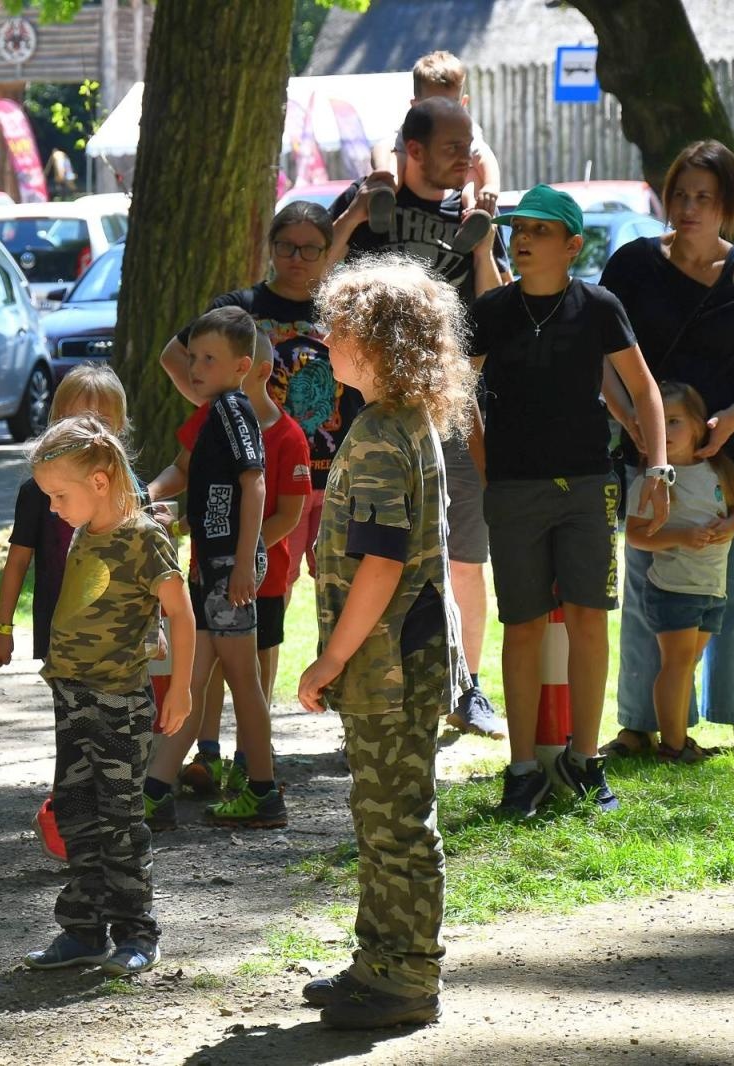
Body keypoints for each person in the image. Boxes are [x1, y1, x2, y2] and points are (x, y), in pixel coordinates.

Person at [296, 253, 476, 1031]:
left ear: (378, 343)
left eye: (339, 329)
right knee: (382, 815)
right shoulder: (401, 420)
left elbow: (382, 560)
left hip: (390, 663)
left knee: (395, 822)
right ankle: (379, 962)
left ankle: (406, 978)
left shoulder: (377, 435)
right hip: (405, 656)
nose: (325, 341)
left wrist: (331, 657)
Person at [468, 184, 669, 816]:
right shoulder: (491, 310)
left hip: (588, 487)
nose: (523, 239)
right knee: (522, 626)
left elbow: (644, 389)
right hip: (514, 491)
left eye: (540, 230)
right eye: (517, 229)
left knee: (588, 620)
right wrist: (488, 469)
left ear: (573, 245)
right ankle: (523, 768)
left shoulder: (599, 306)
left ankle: (585, 760)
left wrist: (658, 469)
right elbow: (459, 395)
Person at [329, 96, 507, 740]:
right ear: (414, 150)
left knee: (464, 555)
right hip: (373, 412)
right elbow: (319, 286)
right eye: (453, 147)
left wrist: (483, 247)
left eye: (469, 146)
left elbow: (496, 313)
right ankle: (372, 687)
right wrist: (352, 218)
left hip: (453, 409)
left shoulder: (472, 213)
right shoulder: (368, 202)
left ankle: (469, 688)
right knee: (375, 554)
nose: (466, 158)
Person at [599, 139, 734, 759]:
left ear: (727, 205)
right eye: (680, 194)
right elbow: (601, 353)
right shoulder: (631, 264)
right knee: (647, 582)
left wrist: (729, 422)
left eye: (704, 197)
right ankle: (640, 723)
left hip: (729, 454)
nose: (688, 207)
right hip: (648, 452)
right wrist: (626, 416)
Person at [20, 415, 195, 978]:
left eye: (60, 496)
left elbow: (180, 614)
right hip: (72, 698)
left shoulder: (144, 538)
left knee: (119, 821)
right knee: (75, 815)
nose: (53, 508)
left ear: (99, 481)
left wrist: (181, 689)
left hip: (119, 703)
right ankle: (83, 930)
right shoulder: (84, 531)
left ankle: (136, 932)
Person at [159, 202, 358, 592]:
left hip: (338, 471)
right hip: (268, 472)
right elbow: (173, 355)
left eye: (310, 248)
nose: (296, 257)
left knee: (342, 587)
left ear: (327, 251)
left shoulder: (341, 310)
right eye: (286, 246)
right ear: (271, 246)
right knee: (274, 581)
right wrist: (222, 409)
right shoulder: (240, 309)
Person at [152, 323, 310, 796]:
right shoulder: (214, 413)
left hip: (236, 575)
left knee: (245, 679)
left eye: (208, 360)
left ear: (247, 369)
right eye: (193, 357)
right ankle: (162, 787)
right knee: (195, 677)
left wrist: (245, 561)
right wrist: (165, 507)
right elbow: (202, 482)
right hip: (210, 570)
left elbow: (260, 490)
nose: (194, 369)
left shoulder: (240, 414)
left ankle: (258, 784)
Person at [0, 364, 132, 862]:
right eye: (76, 419)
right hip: (63, 637)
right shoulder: (38, 490)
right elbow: (17, 561)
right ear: (55, 422)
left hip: (117, 638)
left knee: (113, 731)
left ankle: (109, 821)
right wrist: (3, 626)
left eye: (102, 421)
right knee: (73, 729)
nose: (89, 430)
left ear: (120, 428)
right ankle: (63, 817)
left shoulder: (126, 490)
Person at [626, 381, 734, 763]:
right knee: (677, 664)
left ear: (699, 425)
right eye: (657, 422)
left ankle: (679, 741)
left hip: (712, 589)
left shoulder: (718, 469)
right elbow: (635, 535)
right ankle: (673, 746)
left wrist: (730, 526)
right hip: (674, 590)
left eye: (675, 420)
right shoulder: (652, 481)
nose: (665, 430)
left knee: (686, 664)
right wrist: (681, 536)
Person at [367, 50, 503, 224]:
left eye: (450, 104)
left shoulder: (465, 129)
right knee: (397, 158)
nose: (442, 112)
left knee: (472, 173)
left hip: (457, 179)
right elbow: (384, 146)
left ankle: (474, 213)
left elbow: (484, 156)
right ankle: (385, 194)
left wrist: (491, 186)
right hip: (412, 180)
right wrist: (382, 170)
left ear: (462, 104)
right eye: (433, 104)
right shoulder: (414, 127)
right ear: (415, 106)